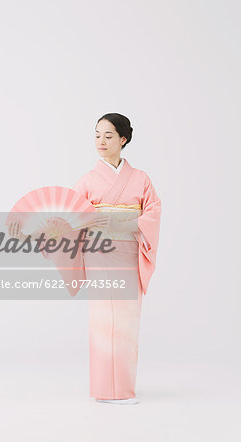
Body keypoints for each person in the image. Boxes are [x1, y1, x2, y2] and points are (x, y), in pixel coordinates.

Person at [72, 113, 162, 405]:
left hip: (128, 254)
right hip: (98, 253)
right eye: (97, 135)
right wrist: (96, 219)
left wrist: (122, 221)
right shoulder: (87, 180)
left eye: (108, 136)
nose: (101, 141)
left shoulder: (140, 179)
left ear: (123, 139)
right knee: (101, 320)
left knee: (126, 321)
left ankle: (123, 389)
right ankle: (103, 388)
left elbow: (153, 214)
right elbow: (74, 216)